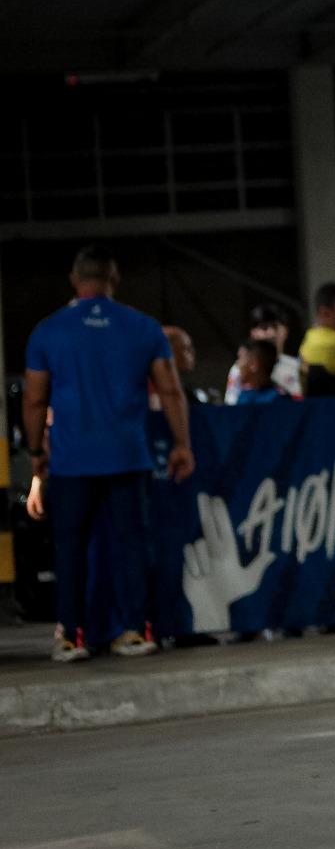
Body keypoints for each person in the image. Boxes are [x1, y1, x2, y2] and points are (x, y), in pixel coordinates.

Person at [22, 245, 194, 661]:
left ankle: (72, 636)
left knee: (71, 547)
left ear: (74, 280)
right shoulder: (143, 327)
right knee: (132, 544)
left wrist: (35, 455)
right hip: (127, 455)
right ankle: (135, 631)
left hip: (70, 460)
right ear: (113, 280)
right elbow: (170, 389)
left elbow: (33, 400)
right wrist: (182, 444)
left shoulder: (48, 331)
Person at [224, 303, 302, 402]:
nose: (271, 333)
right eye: (264, 327)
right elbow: (232, 404)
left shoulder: (295, 366)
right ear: (253, 333)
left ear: (285, 331)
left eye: (275, 327)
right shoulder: (239, 369)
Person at [163, 326, 214, 405]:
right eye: (186, 348)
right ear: (169, 352)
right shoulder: (154, 392)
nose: (192, 353)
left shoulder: (184, 390)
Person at [229, 339, 286, 405]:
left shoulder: (276, 400)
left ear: (253, 364)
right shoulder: (242, 395)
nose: (237, 363)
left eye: (240, 358)